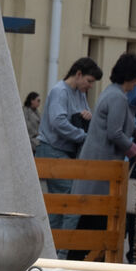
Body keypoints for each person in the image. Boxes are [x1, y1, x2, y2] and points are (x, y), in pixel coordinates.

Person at [67, 53, 136, 260]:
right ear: (132, 76)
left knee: (92, 220)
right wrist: (134, 149)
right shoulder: (118, 97)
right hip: (102, 170)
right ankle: (85, 261)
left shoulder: (111, 93)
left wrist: (135, 130)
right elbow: (115, 133)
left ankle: (83, 259)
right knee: (96, 220)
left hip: (96, 167)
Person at [35, 56, 102, 242]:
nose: (90, 86)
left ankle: (56, 245)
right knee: (72, 199)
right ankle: (63, 249)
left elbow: (80, 115)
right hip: (53, 150)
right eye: (89, 81)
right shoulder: (60, 92)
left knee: (60, 203)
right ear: (78, 74)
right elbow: (58, 122)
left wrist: (85, 116)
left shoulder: (79, 93)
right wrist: (83, 135)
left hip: (66, 152)